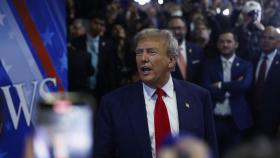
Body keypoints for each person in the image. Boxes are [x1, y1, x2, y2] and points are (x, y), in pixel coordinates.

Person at [94, 28, 218, 158]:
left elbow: (210, 149)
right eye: (139, 53)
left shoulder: (199, 97)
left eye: (151, 52)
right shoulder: (113, 103)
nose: (143, 58)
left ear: (171, 60)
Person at [201, 30, 253, 156]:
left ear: (236, 44)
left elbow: (244, 86)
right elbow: (206, 88)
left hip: (236, 121)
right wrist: (233, 87)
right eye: (222, 41)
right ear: (217, 44)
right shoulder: (208, 64)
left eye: (229, 41)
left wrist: (219, 85)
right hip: (214, 119)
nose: (225, 44)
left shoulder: (246, 65)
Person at [250, 26, 280, 138]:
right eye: (263, 37)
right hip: (250, 117)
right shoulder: (252, 58)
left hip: (273, 119)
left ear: (278, 42)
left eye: (271, 38)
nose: (266, 41)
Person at [168, 16, 204, 84]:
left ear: (185, 29)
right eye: (173, 29)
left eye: (179, 28)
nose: (176, 31)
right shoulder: (163, 52)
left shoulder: (197, 50)